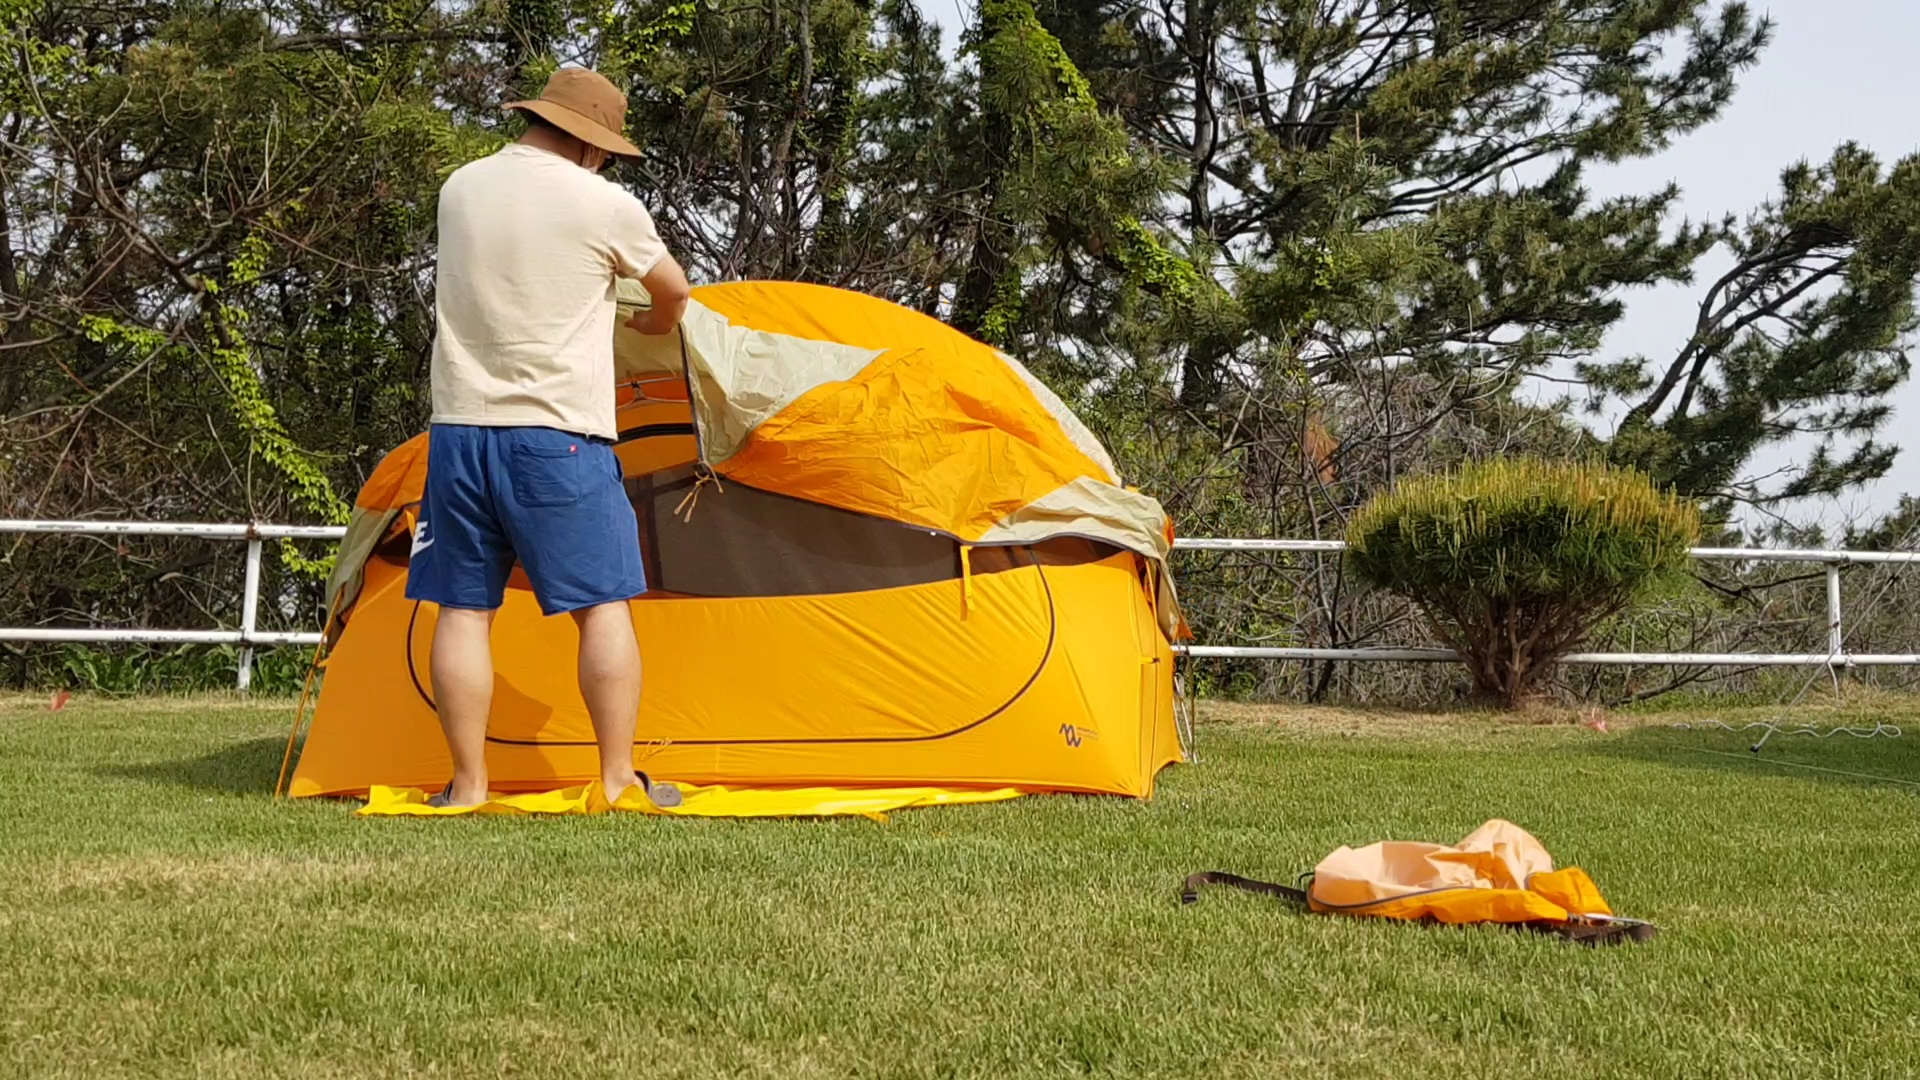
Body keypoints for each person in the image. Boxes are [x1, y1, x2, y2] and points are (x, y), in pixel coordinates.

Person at [406, 67, 691, 808]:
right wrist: (650, 323)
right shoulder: (604, 204)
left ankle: (468, 786)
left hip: (459, 431)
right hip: (559, 435)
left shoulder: (460, 188)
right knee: (603, 607)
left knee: (463, 610)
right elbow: (675, 291)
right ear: (593, 145)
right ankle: (617, 779)